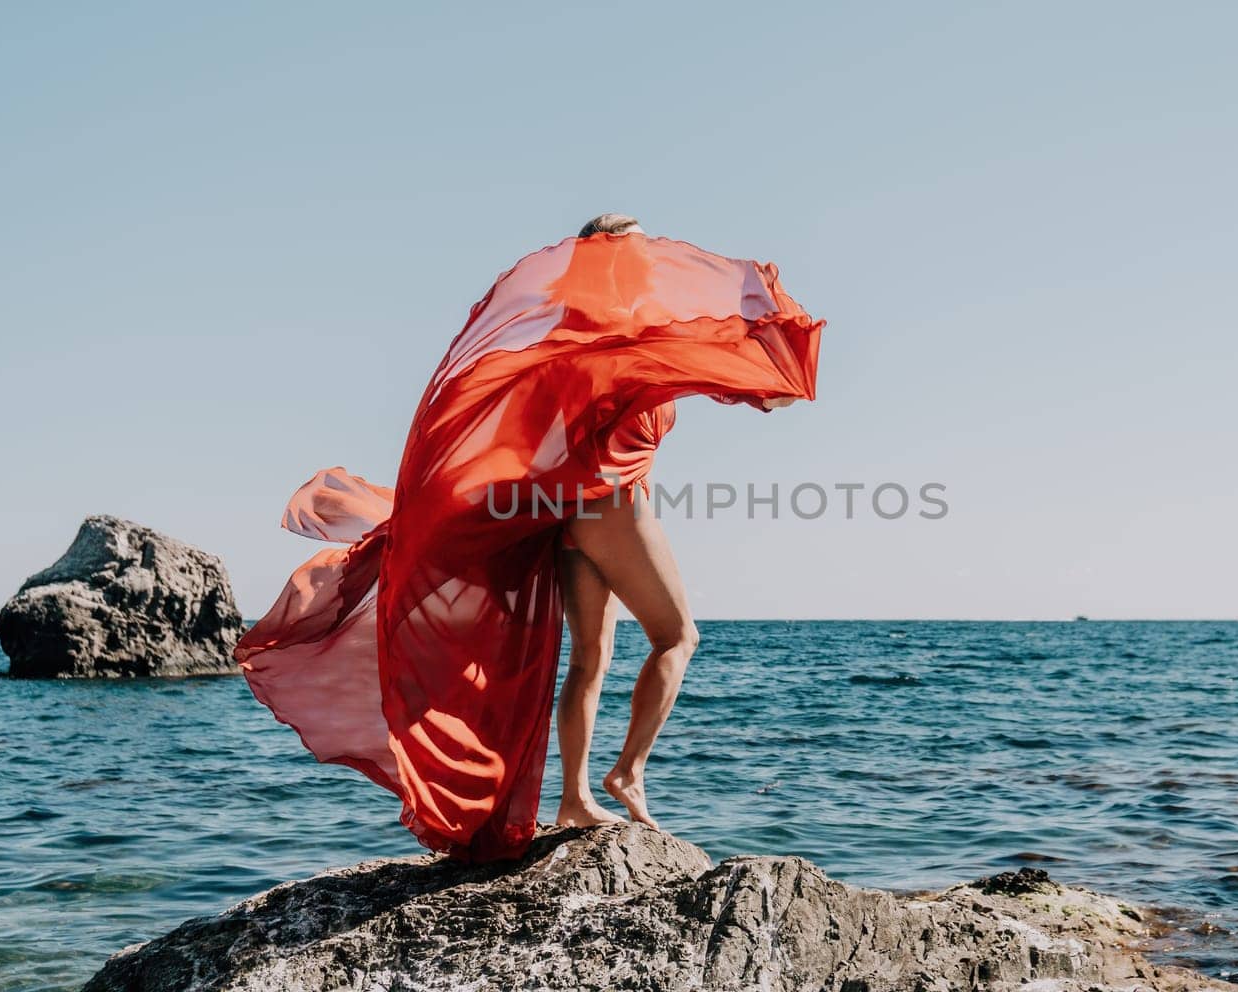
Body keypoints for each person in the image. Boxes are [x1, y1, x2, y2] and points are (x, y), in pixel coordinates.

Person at [235, 214, 823, 860]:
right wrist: (773, 356)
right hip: (611, 506)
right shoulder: (620, 337)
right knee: (677, 638)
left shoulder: (563, 344)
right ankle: (626, 772)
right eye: (637, 257)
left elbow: (526, 442)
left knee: (590, 660)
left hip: (570, 516)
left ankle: (573, 798)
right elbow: (759, 393)